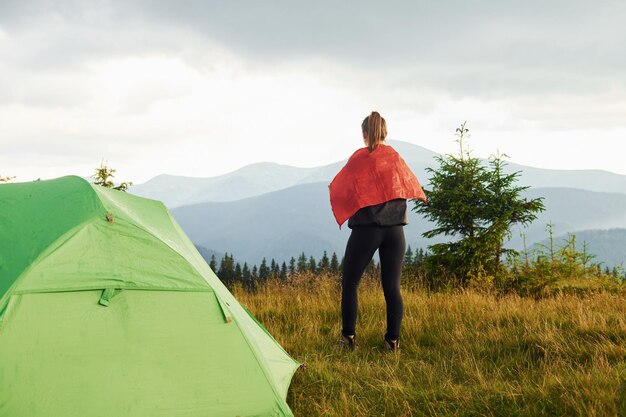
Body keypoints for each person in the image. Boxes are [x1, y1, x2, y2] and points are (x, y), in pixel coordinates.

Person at [328, 111, 427, 351]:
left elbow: (340, 188)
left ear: (364, 134)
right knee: (392, 287)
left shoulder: (359, 159)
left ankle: (348, 340)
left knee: (350, 283)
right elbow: (409, 184)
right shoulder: (394, 158)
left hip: (367, 230)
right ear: (385, 133)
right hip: (395, 231)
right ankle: (392, 342)